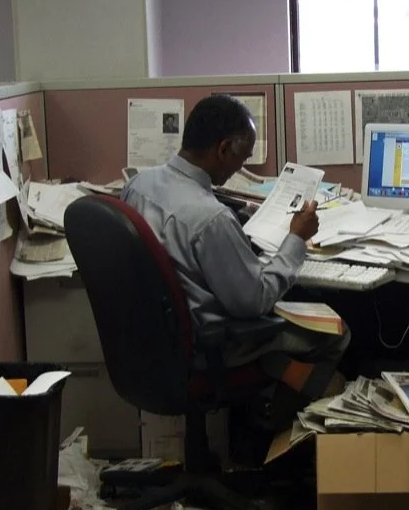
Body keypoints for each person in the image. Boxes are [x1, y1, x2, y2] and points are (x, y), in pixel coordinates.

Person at [120, 94, 349, 430]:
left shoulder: (139, 184)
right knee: (336, 333)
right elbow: (254, 300)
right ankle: (272, 442)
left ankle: (274, 373)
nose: (241, 167)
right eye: (242, 156)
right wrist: (296, 239)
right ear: (223, 148)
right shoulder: (210, 220)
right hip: (207, 344)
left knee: (280, 347)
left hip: (151, 342)